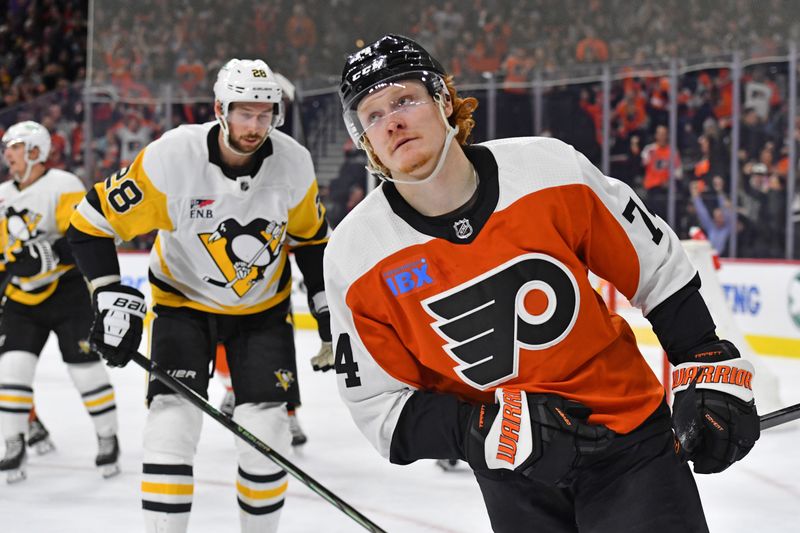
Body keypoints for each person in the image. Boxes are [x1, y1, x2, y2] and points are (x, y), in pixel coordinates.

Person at [324, 35, 761, 532]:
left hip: (630, 441)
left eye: (404, 99)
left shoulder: (546, 169)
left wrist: (703, 356)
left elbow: (655, 264)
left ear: (443, 99)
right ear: (362, 138)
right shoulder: (355, 255)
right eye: (373, 114)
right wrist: (482, 431)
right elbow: (378, 406)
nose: (393, 121)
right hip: (514, 476)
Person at [66, 59, 332, 533]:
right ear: (220, 109)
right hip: (182, 304)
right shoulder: (172, 158)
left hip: (263, 311)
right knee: (171, 423)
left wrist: (327, 315)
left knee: (269, 430)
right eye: (244, 113)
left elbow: (312, 241)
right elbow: (88, 223)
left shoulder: (294, 162)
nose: (255, 126)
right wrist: (108, 296)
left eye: (265, 114)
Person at [0, 120, 121, 484]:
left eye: (14, 146)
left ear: (35, 150)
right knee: (11, 373)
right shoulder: (3, 193)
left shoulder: (64, 184)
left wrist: (48, 255)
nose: (8, 153)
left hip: (67, 295)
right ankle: (13, 442)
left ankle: (107, 436)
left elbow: (78, 237)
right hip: (21, 298)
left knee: (85, 372)